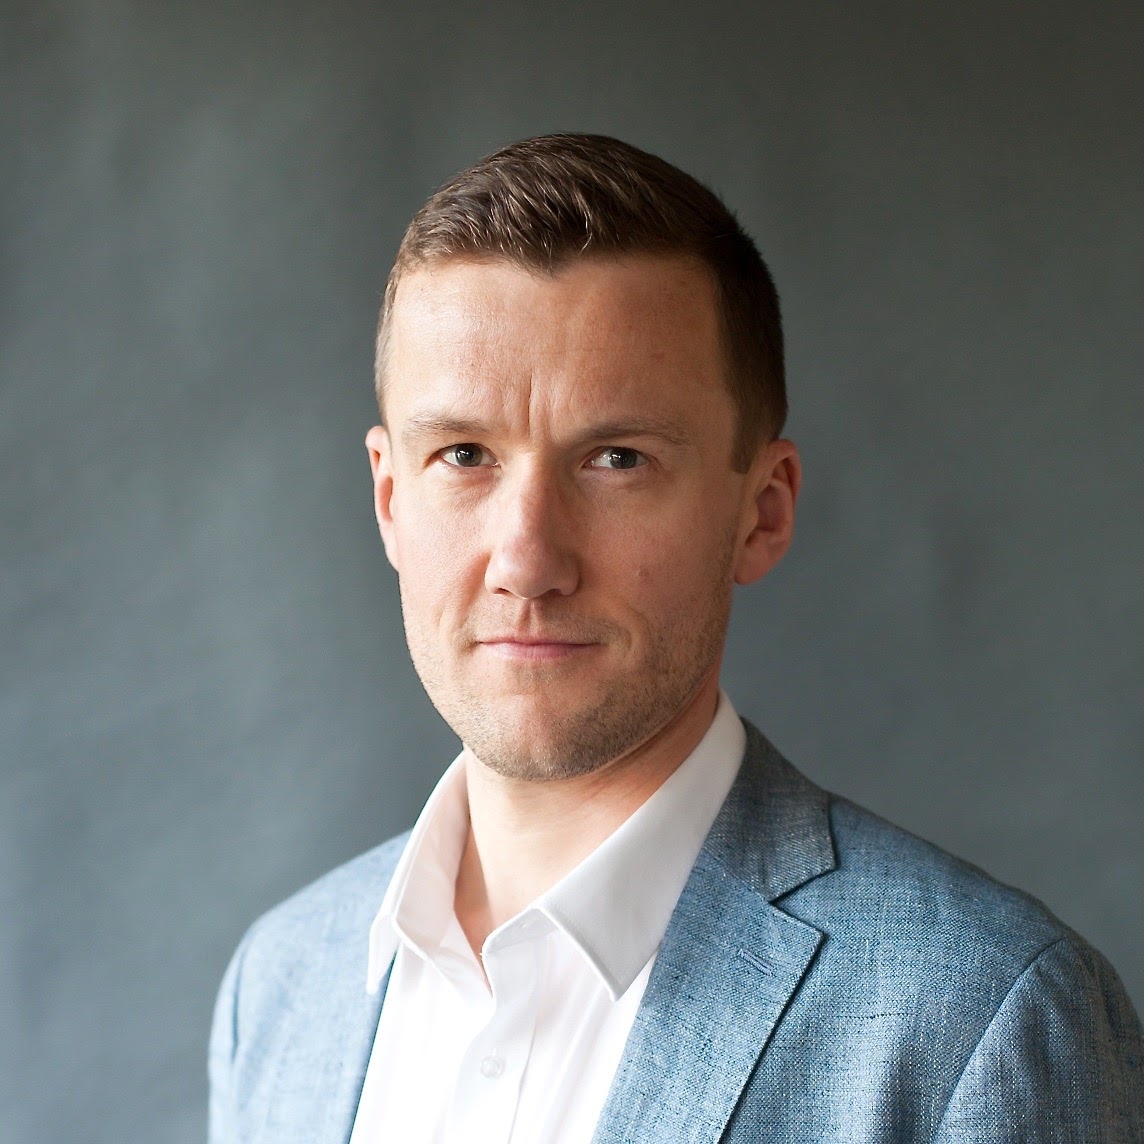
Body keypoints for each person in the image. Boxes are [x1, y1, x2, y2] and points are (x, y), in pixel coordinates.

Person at [208, 134, 1143, 1143]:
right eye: (464, 454)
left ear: (762, 512)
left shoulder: (983, 1021)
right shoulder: (282, 985)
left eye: (617, 458)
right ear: (391, 498)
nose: (527, 560)